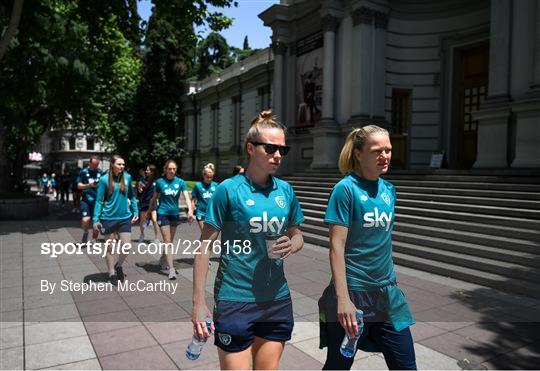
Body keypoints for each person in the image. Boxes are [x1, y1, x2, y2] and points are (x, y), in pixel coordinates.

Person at [192, 110, 305, 370]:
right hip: (235, 298)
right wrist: (199, 303)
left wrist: (293, 244)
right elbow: (204, 247)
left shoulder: (285, 191)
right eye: (271, 148)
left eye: (282, 150)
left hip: (276, 299)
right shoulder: (228, 190)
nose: (278, 155)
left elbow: (297, 235)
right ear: (251, 149)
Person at [318, 126, 416, 370]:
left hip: (387, 295)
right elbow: (336, 246)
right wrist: (343, 299)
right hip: (354, 295)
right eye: (377, 151)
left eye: (388, 150)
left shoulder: (389, 190)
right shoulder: (345, 189)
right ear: (359, 154)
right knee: (337, 366)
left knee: (406, 366)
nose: (385, 156)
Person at [93, 155, 139, 285]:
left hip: (125, 217)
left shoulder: (127, 177)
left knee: (126, 247)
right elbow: (99, 200)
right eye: (119, 164)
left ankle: (119, 265)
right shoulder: (103, 179)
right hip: (108, 218)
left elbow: (132, 196)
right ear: (112, 165)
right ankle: (111, 272)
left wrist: (135, 211)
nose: (122, 167)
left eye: (123, 164)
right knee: (110, 248)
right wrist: (96, 219)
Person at [145, 160, 194, 280]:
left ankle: (163, 258)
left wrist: (190, 210)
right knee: (167, 242)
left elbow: (187, 197)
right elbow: (153, 199)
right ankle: (171, 269)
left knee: (170, 242)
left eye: (174, 169)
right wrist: (148, 212)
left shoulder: (180, 182)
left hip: (174, 214)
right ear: (165, 169)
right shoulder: (160, 182)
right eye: (170, 169)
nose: (172, 171)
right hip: (163, 214)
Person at [77, 155, 102, 244]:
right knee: (85, 219)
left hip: (97, 200)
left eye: (97, 164)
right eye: (94, 164)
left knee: (96, 221)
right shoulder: (83, 172)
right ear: (90, 163)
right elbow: (78, 185)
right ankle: (85, 232)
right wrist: (89, 185)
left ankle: (94, 239)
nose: (96, 166)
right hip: (85, 199)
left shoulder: (99, 172)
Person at [137, 164, 161, 244]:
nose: (146, 171)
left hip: (152, 202)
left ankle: (157, 238)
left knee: (154, 220)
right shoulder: (143, 179)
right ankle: (142, 234)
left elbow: (159, 192)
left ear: (152, 172)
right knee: (142, 220)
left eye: (148, 170)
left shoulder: (157, 181)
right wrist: (140, 188)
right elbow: (139, 190)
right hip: (144, 202)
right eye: (146, 170)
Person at [191, 163, 218, 231]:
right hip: (201, 213)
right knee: (205, 233)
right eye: (207, 177)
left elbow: (218, 200)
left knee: (209, 236)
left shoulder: (215, 185)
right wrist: (191, 212)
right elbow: (193, 200)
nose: (209, 179)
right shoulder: (198, 186)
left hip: (211, 213)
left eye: (211, 177)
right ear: (203, 175)